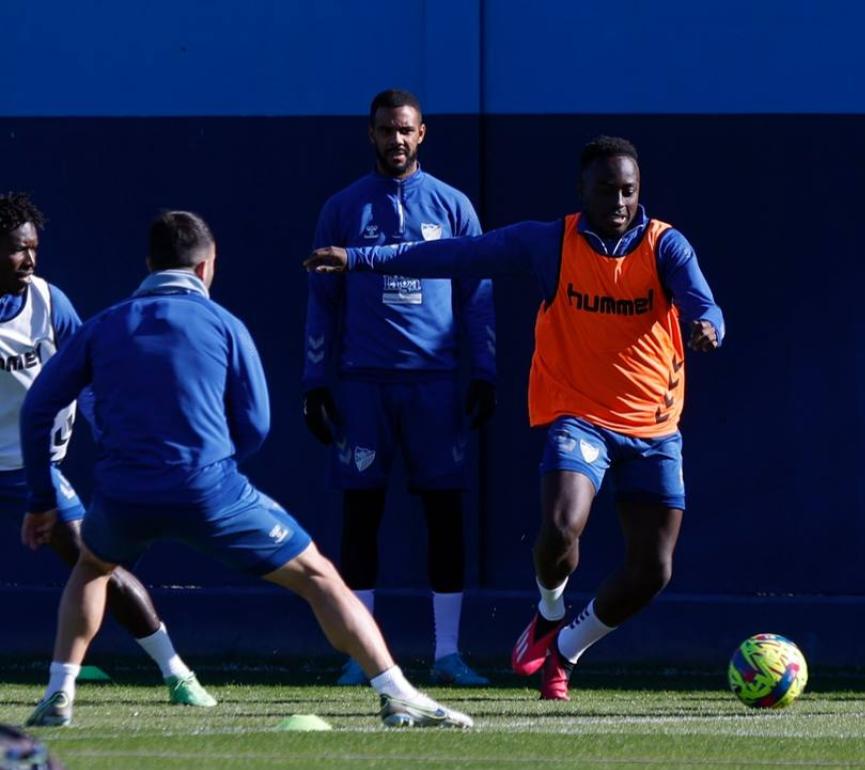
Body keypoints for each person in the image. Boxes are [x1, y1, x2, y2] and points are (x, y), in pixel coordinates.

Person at [306, 136, 725, 701]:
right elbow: (454, 255)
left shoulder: (665, 246)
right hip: (580, 416)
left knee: (653, 569)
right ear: (582, 191)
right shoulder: (547, 242)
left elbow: (703, 303)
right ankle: (549, 611)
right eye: (607, 190)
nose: (620, 201)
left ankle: (564, 649)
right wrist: (359, 258)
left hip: (653, 427)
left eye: (629, 190)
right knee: (560, 528)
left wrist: (708, 326)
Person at [21, 211, 471, 729]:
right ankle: (397, 694)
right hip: (211, 490)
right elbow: (256, 425)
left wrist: (40, 499)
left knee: (90, 570)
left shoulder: (104, 325)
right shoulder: (225, 325)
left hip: (123, 496)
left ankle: (59, 693)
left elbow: (38, 410)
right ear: (207, 267)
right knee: (320, 576)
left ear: (148, 264)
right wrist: (209, 470)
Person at [303, 88, 495, 687]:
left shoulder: (454, 206)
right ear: (371, 134)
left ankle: (447, 655)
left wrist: (484, 371)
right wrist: (316, 380)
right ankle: (364, 658)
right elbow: (322, 302)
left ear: (423, 133)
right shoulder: (342, 208)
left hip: (435, 386)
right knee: (361, 516)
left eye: (406, 130)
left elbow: (478, 295)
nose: (397, 140)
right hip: (364, 385)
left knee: (445, 515)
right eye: (386, 130)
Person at [1, 192, 215, 708]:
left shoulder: (51, 304)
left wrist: (108, 428)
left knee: (99, 565)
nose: (29, 259)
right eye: (16, 250)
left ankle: (177, 674)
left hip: (33, 471)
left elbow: (89, 379)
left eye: (33, 248)